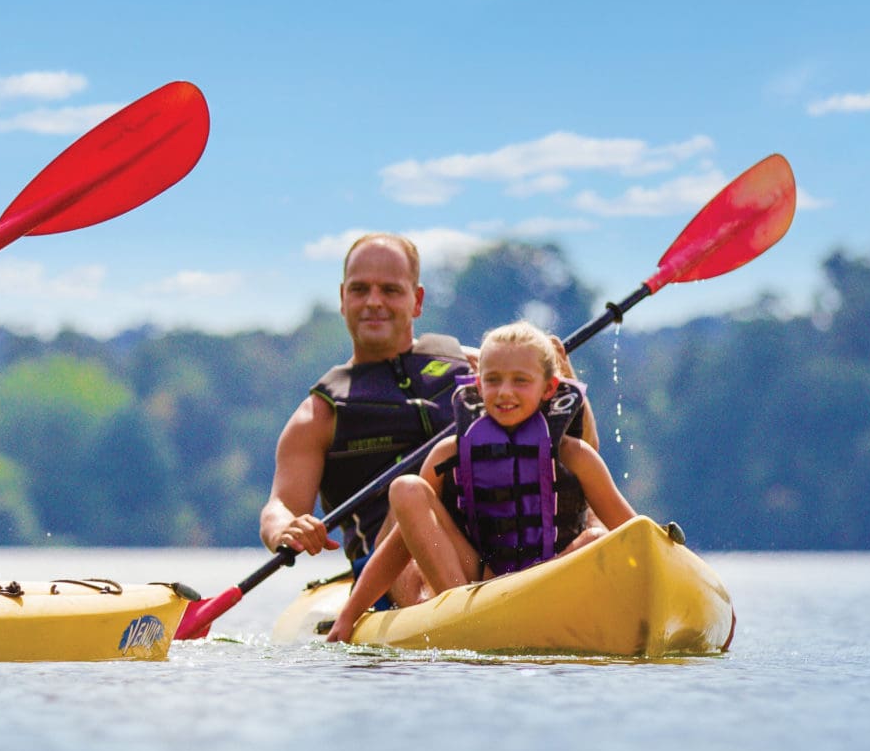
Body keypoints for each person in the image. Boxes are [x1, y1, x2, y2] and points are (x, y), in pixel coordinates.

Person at [324, 321, 635, 642]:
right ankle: (461, 614)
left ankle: (482, 618)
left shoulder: (576, 454)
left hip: (547, 578)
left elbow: (631, 529)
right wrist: (351, 614)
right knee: (407, 488)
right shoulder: (450, 452)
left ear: (549, 388)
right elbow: (400, 542)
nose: (504, 392)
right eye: (493, 380)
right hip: (475, 582)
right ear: (478, 385)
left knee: (598, 537)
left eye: (520, 381)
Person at [259, 233, 474, 604]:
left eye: (390, 290)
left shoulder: (475, 365)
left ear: (417, 300)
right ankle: (457, 613)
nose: (374, 302)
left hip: (489, 541)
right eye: (360, 290)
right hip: (392, 571)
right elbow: (279, 507)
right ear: (343, 299)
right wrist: (285, 529)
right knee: (408, 502)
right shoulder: (320, 414)